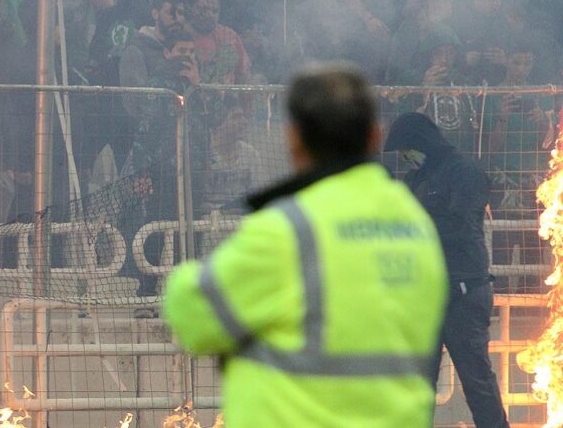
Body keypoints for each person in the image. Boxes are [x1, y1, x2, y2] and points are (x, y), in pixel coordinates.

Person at [163, 63, 448, 426]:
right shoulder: (416, 227)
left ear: (294, 140)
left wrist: (185, 275)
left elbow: (194, 318)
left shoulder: (289, 228)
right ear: (375, 136)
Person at [384, 112, 509, 428]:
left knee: (476, 381)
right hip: (426, 297)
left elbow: (461, 226)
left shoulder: (464, 172)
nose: (405, 157)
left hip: (463, 293)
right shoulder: (415, 180)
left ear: (420, 142)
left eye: (406, 149)